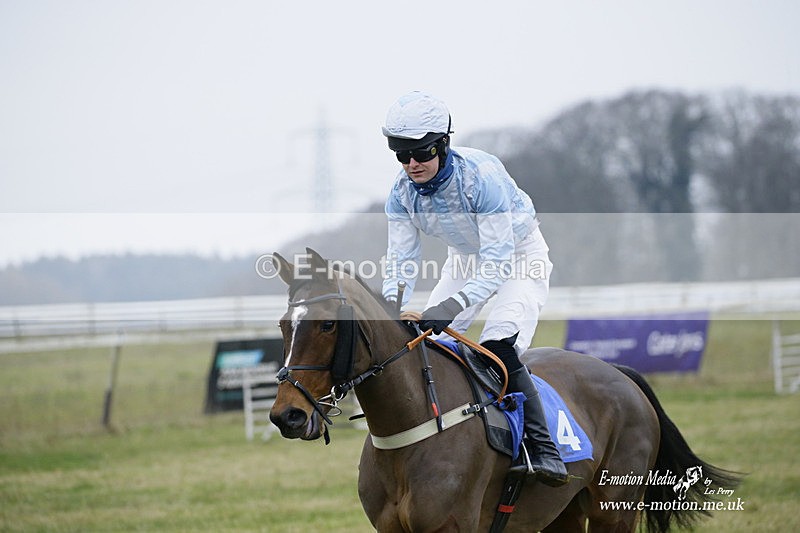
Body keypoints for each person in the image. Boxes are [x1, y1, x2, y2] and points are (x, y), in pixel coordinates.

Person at [380, 90, 567, 486]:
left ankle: (543, 448)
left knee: (497, 348)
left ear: (443, 144)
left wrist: (452, 306)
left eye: (421, 153)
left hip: (519, 256)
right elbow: (400, 261)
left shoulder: (482, 177)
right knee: (428, 344)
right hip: (464, 260)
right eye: (402, 155)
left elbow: (498, 262)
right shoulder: (400, 193)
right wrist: (392, 307)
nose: (412, 164)